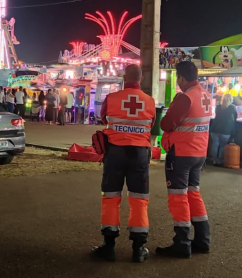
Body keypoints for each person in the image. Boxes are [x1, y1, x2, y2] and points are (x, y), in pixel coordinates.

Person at [92, 64, 155, 263]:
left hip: (115, 152)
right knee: (139, 199)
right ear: (142, 78)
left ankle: (109, 246)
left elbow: (103, 119)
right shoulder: (150, 101)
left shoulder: (111, 99)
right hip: (140, 154)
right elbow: (151, 124)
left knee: (111, 197)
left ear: (123, 77)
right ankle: (139, 248)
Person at [157, 61, 211, 258]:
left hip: (181, 154)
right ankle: (203, 239)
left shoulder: (185, 98)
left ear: (181, 77)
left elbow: (166, 124)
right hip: (199, 153)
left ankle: (181, 243)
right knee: (193, 194)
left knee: (178, 197)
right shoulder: (205, 94)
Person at [211, 94, 237, 166]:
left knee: (215, 145)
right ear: (230, 99)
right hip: (225, 130)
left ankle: (214, 160)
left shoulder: (218, 106)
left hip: (215, 129)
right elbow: (235, 118)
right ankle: (219, 161)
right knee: (222, 146)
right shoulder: (232, 107)